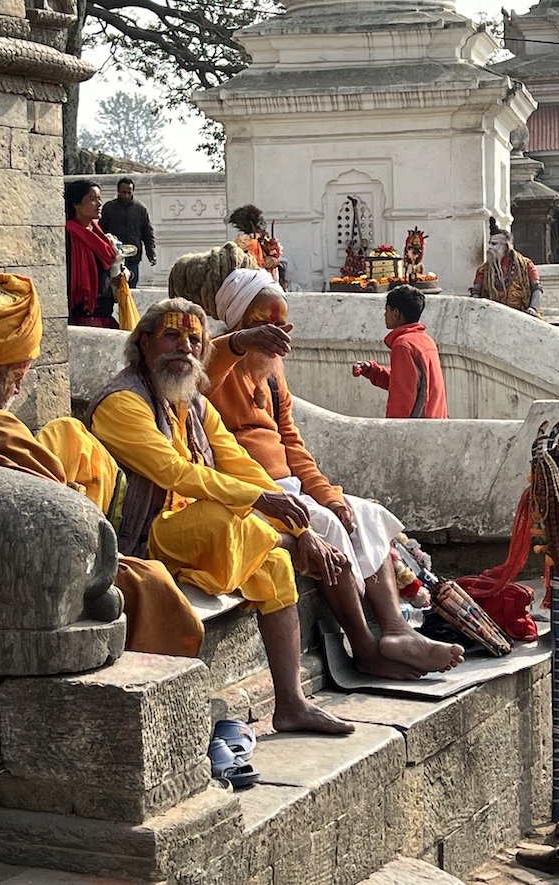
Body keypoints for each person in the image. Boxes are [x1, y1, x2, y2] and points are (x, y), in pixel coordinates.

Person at [167, 256, 464, 678]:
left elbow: (292, 443)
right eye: (263, 324)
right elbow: (201, 376)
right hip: (252, 492)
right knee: (324, 525)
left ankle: (397, 630)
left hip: (291, 485)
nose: (276, 334)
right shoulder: (218, 360)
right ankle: (364, 646)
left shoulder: (273, 373)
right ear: (240, 324)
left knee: (364, 514)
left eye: (281, 324)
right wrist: (241, 342)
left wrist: (328, 494)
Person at [0, 272, 203, 659]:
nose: (19, 387)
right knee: (152, 581)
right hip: (10, 579)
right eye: (18, 375)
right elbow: (65, 526)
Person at [88, 297, 355, 735]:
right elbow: (175, 473)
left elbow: (240, 465)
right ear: (143, 343)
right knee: (226, 517)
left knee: (274, 564)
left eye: (194, 340)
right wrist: (274, 515)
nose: (185, 348)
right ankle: (287, 543)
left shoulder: (194, 403)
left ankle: (291, 703)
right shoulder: (122, 403)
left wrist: (299, 523)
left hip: (193, 531)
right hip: (144, 540)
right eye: (172, 336)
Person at [354, 284, 448, 419]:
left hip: (417, 427)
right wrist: (373, 371)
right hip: (436, 422)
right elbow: (405, 381)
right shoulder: (426, 340)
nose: (385, 314)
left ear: (396, 314)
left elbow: (403, 397)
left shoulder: (403, 345)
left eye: (387, 310)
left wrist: (393, 428)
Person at [65, 179, 123, 329]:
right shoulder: (68, 236)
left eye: (99, 199)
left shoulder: (101, 235)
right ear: (76, 203)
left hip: (105, 312)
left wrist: (121, 274)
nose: (99, 204)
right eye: (92, 199)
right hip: (82, 314)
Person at [470, 217, 542, 316]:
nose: (490, 247)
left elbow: (537, 288)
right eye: (489, 243)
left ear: (506, 246)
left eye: (494, 244)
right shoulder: (483, 270)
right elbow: (476, 292)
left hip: (522, 314)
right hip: (493, 315)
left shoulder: (526, 265)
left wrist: (533, 308)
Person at [100, 177, 156, 289]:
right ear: (118, 191)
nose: (126, 195)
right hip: (113, 258)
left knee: (131, 290)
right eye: (123, 192)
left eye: (129, 192)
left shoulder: (140, 209)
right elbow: (101, 232)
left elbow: (147, 233)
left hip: (133, 258)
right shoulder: (109, 208)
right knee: (113, 289)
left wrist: (151, 254)